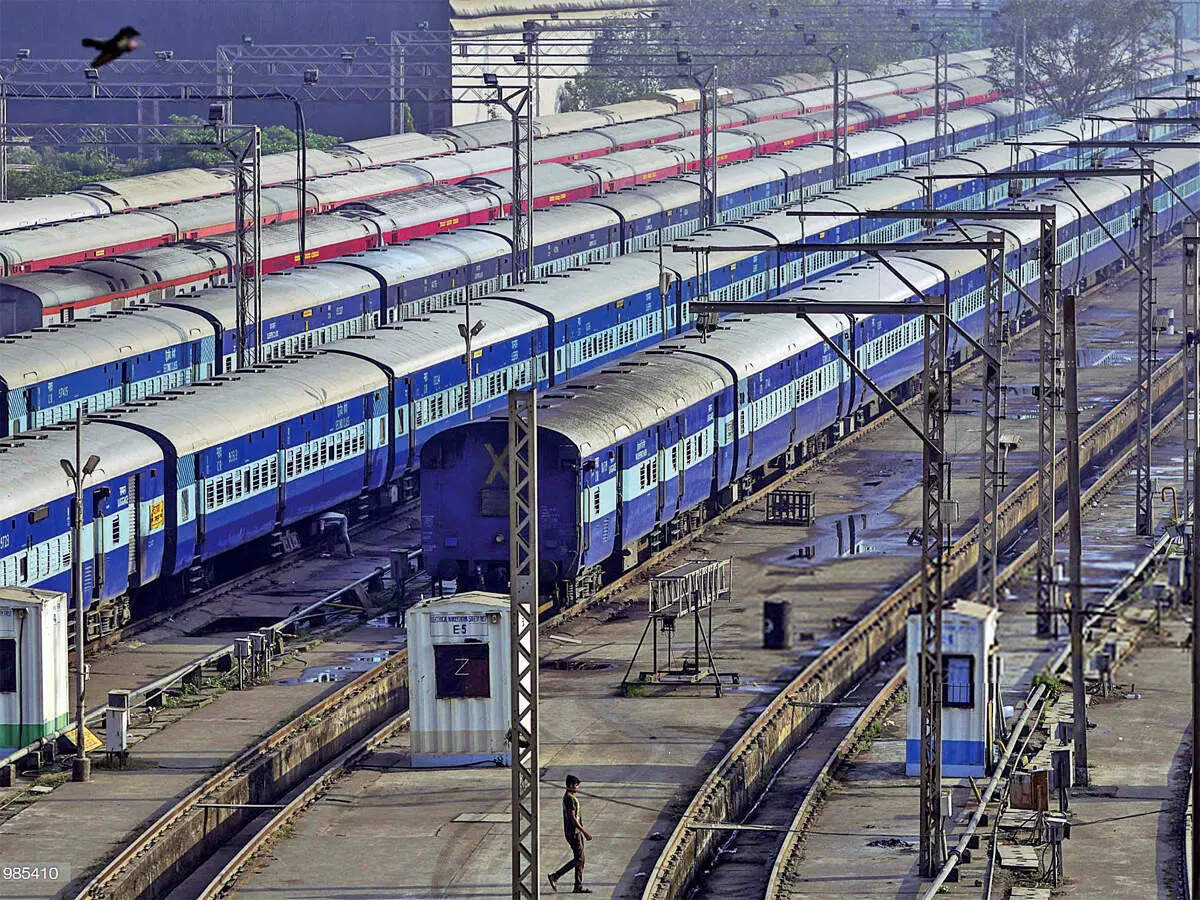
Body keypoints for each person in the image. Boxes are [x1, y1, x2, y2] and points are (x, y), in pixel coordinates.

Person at [548, 774, 591, 893]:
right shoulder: (569, 799)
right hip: (573, 833)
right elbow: (573, 818)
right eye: (576, 786)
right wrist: (585, 832)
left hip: (576, 832)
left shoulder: (570, 797)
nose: (578, 788)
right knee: (578, 859)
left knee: (581, 859)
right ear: (571, 785)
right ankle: (555, 876)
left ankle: (578, 885)